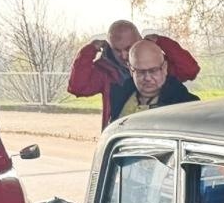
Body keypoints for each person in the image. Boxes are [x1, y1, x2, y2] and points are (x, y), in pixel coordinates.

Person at [68, 20, 199, 128]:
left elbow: (190, 71)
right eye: (117, 50)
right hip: (120, 138)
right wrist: (89, 50)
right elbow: (78, 87)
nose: (124, 56)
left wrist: (161, 42)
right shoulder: (105, 70)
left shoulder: (157, 63)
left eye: (128, 48)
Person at [109, 39, 199, 121]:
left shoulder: (186, 106)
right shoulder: (118, 96)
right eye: (140, 72)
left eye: (153, 71)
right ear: (131, 70)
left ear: (164, 68)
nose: (147, 78)